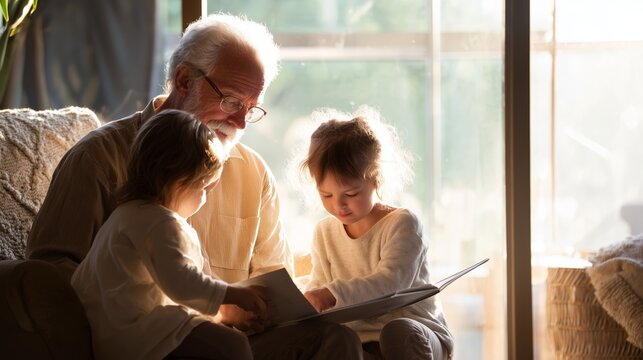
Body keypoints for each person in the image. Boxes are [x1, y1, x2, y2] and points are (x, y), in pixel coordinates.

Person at [28, 13, 362, 359]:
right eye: (232, 101)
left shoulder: (252, 172)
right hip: (147, 345)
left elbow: (272, 279)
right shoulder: (98, 158)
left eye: (250, 109)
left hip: (234, 341)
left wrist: (259, 310)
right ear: (184, 80)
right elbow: (47, 279)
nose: (239, 122)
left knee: (337, 340)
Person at [71, 109, 266, 360]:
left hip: (112, 338)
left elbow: (187, 285)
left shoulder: (125, 215)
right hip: (142, 337)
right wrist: (233, 293)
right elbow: (182, 282)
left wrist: (225, 311)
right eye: (204, 188)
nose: (205, 199)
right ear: (179, 181)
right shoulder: (160, 223)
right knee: (232, 346)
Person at [299, 106, 454, 360]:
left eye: (350, 194)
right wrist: (309, 300)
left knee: (398, 333)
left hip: (417, 333)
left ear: (376, 180)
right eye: (326, 195)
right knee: (334, 342)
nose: (338, 205)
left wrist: (331, 294)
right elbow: (319, 281)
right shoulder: (324, 232)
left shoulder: (402, 224)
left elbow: (390, 284)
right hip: (361, 340)